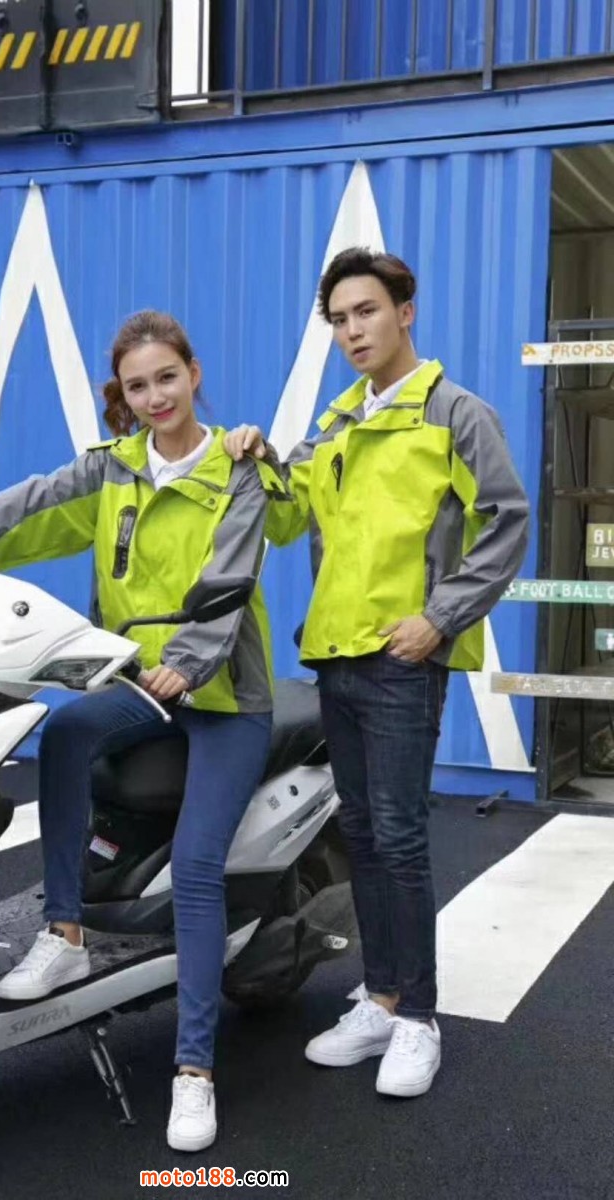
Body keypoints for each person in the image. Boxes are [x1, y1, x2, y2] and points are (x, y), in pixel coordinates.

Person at [0, 310, 279, 1152]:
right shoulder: (112, 469)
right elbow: (29, 507)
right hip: (141, 685)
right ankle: (63, 933)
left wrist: (191, 662)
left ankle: (194, 1071)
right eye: (138, 386)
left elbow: (233, 575)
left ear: (194, 374)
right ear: (122, 396)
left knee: (196, 868)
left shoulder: (237, 471)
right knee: (63, 736)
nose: (155, 396)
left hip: (223, 698)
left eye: (166, 377)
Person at [225, 248, 529, 1098]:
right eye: (339, 320)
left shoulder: (454, 414)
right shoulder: (336, 424)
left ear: (405, 311)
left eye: (366, 311)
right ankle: (382, 997)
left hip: (402, 660)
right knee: (359, 835)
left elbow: (506, 521)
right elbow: (288, 519)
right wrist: (258, 457)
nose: (353, 331)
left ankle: (419, 1017)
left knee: (397, 837)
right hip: (335, 653)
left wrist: (440, 618)